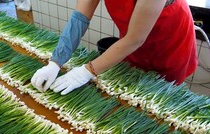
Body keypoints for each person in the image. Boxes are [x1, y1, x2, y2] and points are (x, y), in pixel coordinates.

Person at [31, 0, 198, 95]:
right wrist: (56, 62)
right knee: (133, 84)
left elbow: (135, 39)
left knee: (160, 95)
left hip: (169, 42)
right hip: (133, 39)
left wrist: (86, 71)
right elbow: (79, 18)